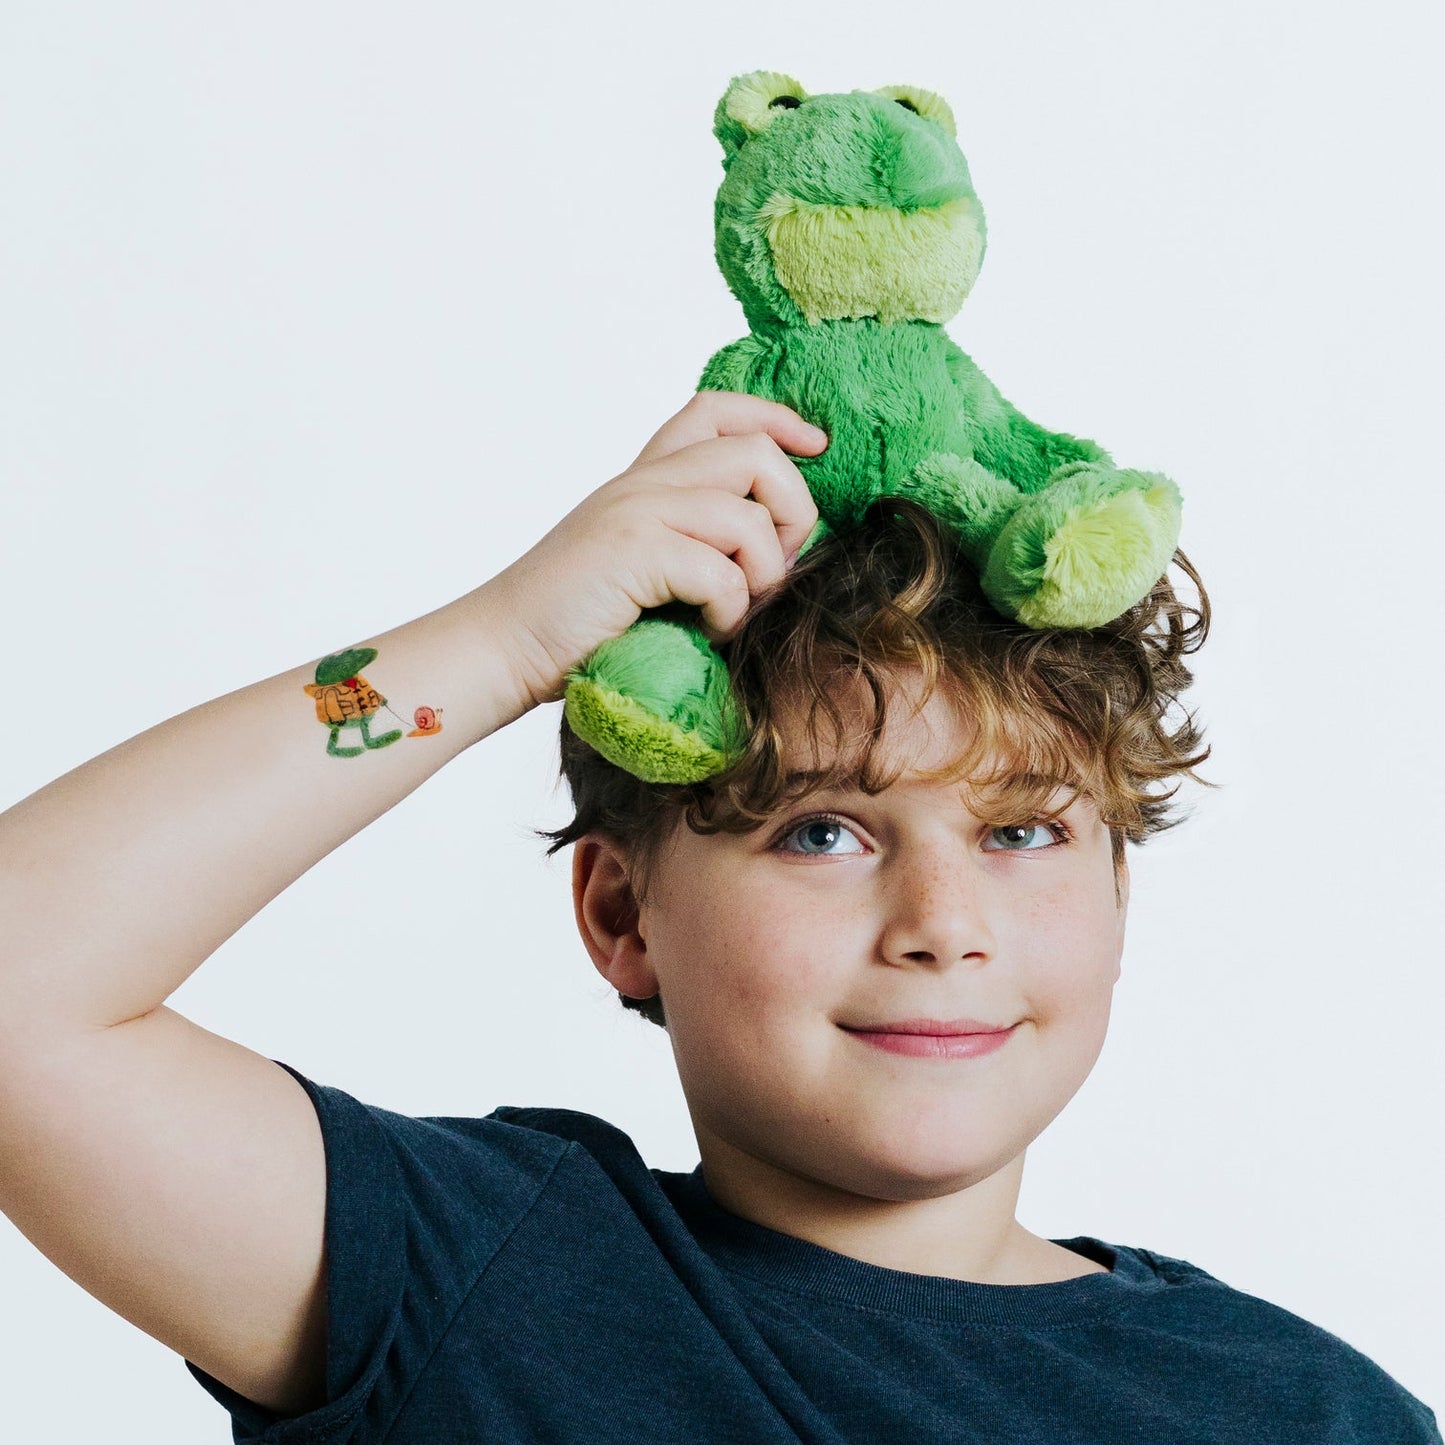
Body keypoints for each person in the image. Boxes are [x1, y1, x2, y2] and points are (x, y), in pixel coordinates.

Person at [0, 391, 1436, 1442]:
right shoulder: (479, 1280)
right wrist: (500, 642)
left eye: (1020, 831)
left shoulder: (1309, 1413)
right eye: (822, 830)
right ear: (622, 914)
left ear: (1116, 891)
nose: (942, 922)